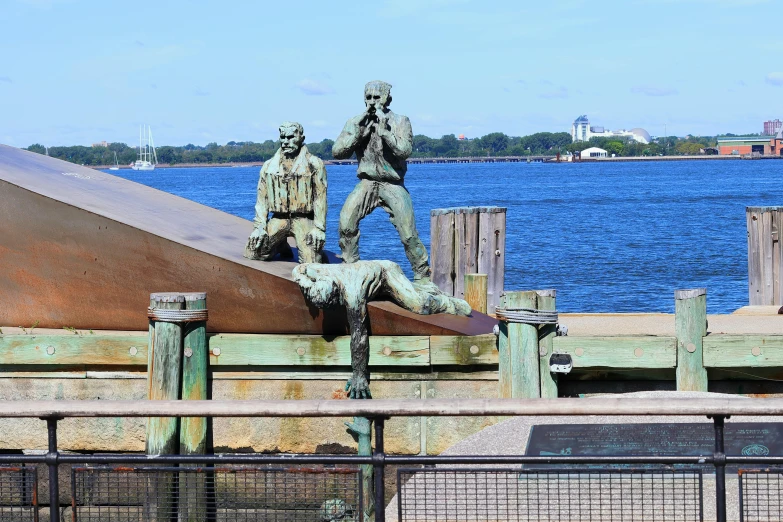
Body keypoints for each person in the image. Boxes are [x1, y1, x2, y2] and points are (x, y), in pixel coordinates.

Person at [293, 260, 470, 398]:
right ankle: (420, 289)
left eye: (332, 303)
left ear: (337, 291)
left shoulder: (352, 294)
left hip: (385, 271)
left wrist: (359, 374)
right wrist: (306, 285)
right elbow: (299, 269)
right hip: (365, 273)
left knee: (418, 304)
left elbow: (359, 333)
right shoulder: (316, 272)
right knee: (409, 296)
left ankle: (449, 302)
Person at [333, 81, 431, 281]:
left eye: (377, 98)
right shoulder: (355, 122)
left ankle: (422, 276)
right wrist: (359, 133)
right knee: (346, 223)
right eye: (368, 98)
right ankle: (350, 267)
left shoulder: (401, 121)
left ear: (388, 99)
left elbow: (404, 151)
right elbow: (337, 152)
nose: (372, 102)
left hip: (392, 184)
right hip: (367, 182)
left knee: (409, 234)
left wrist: (385, 131)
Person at [244, 122, 327, 263]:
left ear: (302, 138)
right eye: (283, 137)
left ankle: (317, 254)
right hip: (279, 218)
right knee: (253, 251)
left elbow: (320, 198)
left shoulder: (314, 164)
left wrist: (319, 228)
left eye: (290, 137)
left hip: (303, 219)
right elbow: (262, 200)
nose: (285, 142)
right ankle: (280, 244)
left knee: (312, 261)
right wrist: (259, 227)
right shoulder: (268, 166)